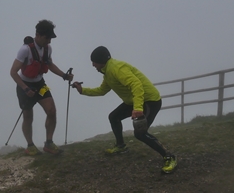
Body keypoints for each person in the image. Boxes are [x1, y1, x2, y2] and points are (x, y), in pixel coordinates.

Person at [71, 46, 177, 173]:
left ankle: (169, 157)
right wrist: (82, 90)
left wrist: (138, 108)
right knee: (113, 117)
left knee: (140, 133)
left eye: (94, 62)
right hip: (134, 100)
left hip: (149, 100)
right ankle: (121, 146)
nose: (93, 65)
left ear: (101, 61)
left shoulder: (116, 68)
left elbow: (136, 84)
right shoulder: (107, 73)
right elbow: (102, 90)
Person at [10, 20, 73, 155]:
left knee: (51, 111)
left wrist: (64, 75)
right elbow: (13, 72)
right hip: (24, 85)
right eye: (47, 38)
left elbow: (49, 64)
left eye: (50, 38)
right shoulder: (25, 50)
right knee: (28, 116)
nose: (49, 41)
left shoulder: (47, 48)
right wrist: (25, 88)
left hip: (40, 84)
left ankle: (49, 143)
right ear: (37, 35)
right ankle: (30, 146)